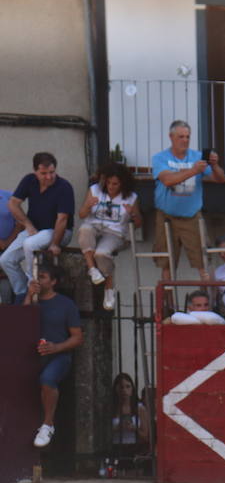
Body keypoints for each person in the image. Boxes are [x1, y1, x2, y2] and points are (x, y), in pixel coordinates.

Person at [150, 120, 225, 283]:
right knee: (166, 263)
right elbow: (168, 180)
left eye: (187, 137)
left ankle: (207, 303)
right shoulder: (160, 158)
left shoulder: (197, 157)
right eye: (181, 137)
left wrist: (215, 165)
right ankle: (168, 304)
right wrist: (193, 171)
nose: (184, 140)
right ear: (171, 137)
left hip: (191, 215)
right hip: (166, 216)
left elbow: (219, 178)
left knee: (202, 261)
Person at [24, 263, 83, 448]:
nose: (38, 280)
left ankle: (48, 424)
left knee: (47, 379)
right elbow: (20, 323)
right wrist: (29, 295)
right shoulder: (28, 299)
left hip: (58, 355)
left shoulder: (66, 304)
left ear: (53, 281)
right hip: (29, 355)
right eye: (36, 276)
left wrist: (56, 347)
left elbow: (77, 338)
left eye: (42, 276)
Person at [3, 153, 76, 303]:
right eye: (44, 173)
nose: (49, 177)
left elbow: (62, 219)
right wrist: (28, 225)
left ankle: (32, 282)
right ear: (35, 171)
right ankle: (23, 292)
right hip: (35, 230)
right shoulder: (29, 180)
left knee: (30, 244)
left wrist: (55, 243)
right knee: (6, 260)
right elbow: (13, 203)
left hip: (58, 232)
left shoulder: (64, 187)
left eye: (52, 172)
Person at [77, 161, 140, 311]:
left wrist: (133, 213)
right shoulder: (94, 190)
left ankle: (109, 287)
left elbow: (138, 223)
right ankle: (92, 269)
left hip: (115, 232)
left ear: (123, 184)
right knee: (84, 229)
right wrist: (87, 205)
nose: (111, 187)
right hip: (94, 226)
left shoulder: (131, 197)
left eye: (115, 184)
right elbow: (81, 215)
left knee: (102, 253)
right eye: (108, 183)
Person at [110, 371, 150, 463]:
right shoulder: (111, 408)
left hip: (135, 449)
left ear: (132, 389)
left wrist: (134, 429)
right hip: (115, 448)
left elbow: (146, 436)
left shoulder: (140, 409)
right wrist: (117, 428)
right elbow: (101, 433)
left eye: (128, 386)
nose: (124, 390)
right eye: (121, 387)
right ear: (116, 389)